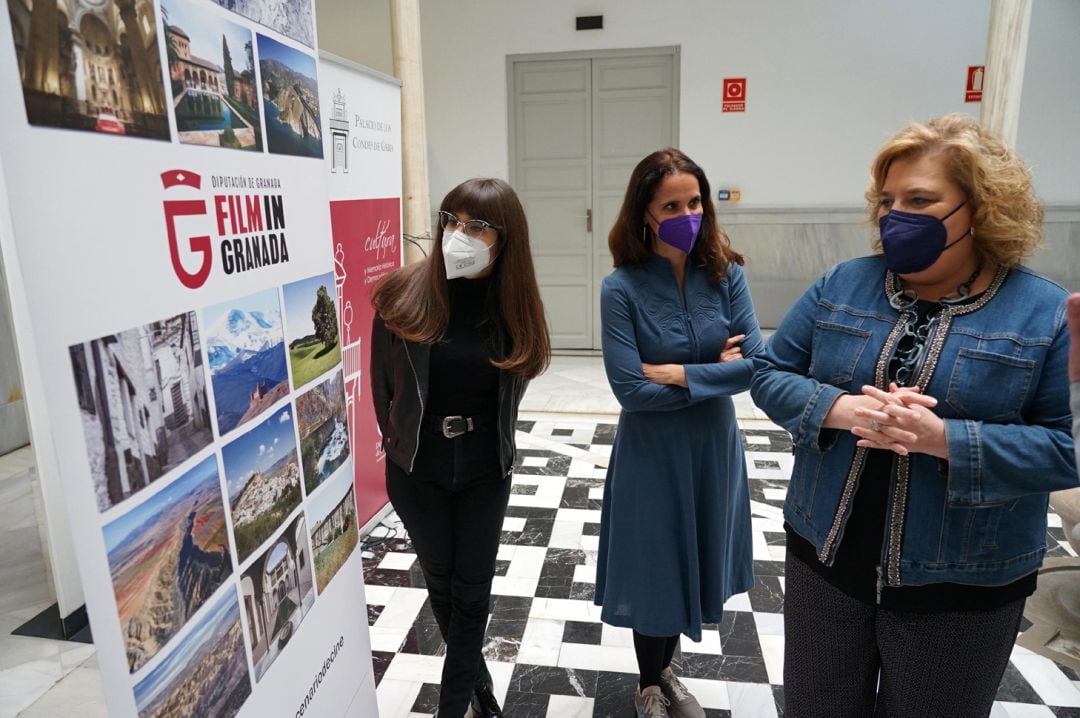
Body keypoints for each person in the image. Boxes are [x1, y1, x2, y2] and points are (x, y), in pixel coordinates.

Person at [750, 114, 1079, 717]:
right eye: (887, 199)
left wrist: (945, 439)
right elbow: (770, 374)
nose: (893, 214)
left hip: (962, 585)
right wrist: (840, 408)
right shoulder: (841, 284)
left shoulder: (1045, 313)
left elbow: (1067, 448)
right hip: (827, 557)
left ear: (978, 207)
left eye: (920, 200)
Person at [370, 178, 550, 718]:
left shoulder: (514, 306)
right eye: (452, 220)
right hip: (417, 469)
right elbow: (383, 390)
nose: (458, 235)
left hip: (483, 469)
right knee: (444, 588)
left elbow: (523, 374)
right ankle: (481, 693)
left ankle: (457, 707)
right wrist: (402, 444)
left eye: (477, 226)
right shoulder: (402, 294)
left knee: (472, 595)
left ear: (505, 240)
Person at [595, 148, 764, 718]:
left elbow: (757, 366)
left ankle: (666, 672)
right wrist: (716, 372)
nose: (688, 213)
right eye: (672, 205)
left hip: (712, 447)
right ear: (645, 213)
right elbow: (629, 391)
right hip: (652, 453)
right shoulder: (620, 288)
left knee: (694, 557)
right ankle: (648, 687)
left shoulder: (726, 274)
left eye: (694, 201)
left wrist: (678, 372)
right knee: (654, 568)